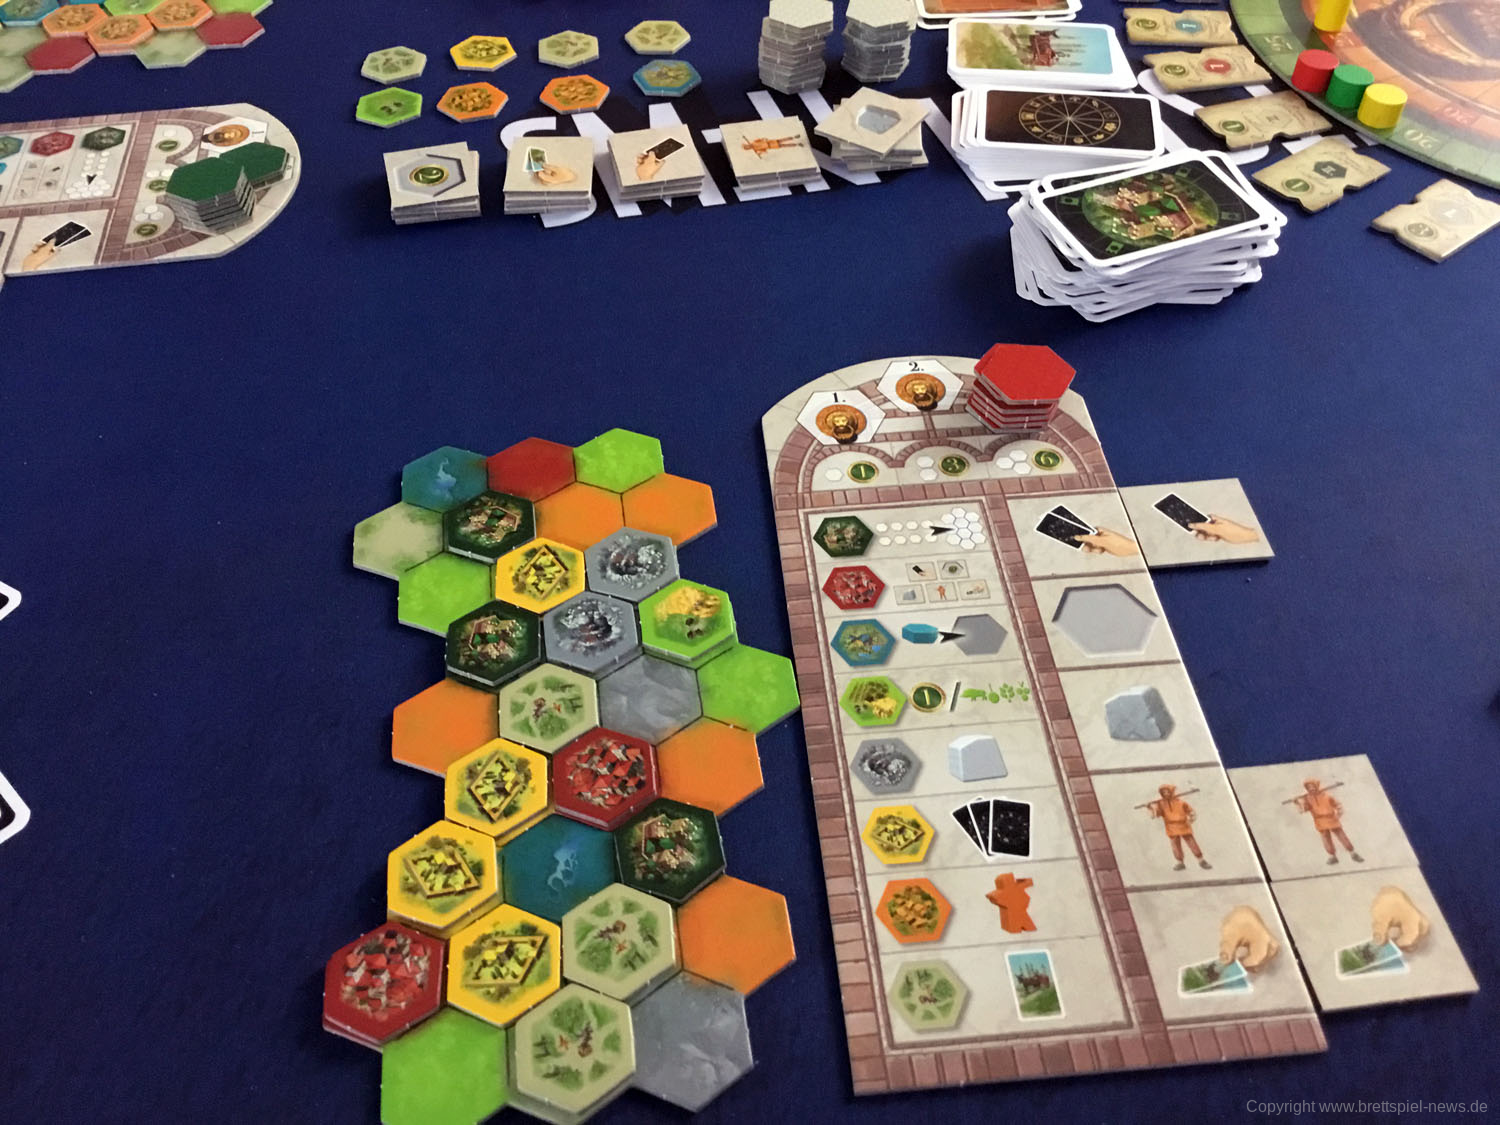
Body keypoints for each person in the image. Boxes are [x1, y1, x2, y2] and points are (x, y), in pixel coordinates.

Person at [1294, 779, 1363, 864]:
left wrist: (1338, 814)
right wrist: (1297, 803)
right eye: (1309, 787)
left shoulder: (1327, 796)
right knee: (1326, 839)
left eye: (1312, 786)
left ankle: (1353, 854)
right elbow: (1303, 810)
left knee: (1342, 836)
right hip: (1319, 821)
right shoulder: (1307, 799)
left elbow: (1338, 805)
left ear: (1316, 786)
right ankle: (1332, 857)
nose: (1311, 789)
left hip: (1331, 819)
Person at [1146, 784, 1210, 871]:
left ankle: (1201, 860)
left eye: (1168, 792)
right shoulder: (1160, 804)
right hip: (1171, 827)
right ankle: (1180, 863)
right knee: (1175, 845)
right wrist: (1150, 808)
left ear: (1172, 792)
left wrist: (1191, 820)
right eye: (1164, 792)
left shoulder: (1181, 802)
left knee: (1191, 843)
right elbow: (1155, 815)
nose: (1166, 794)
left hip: (1183, 825)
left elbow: (1191, 812)